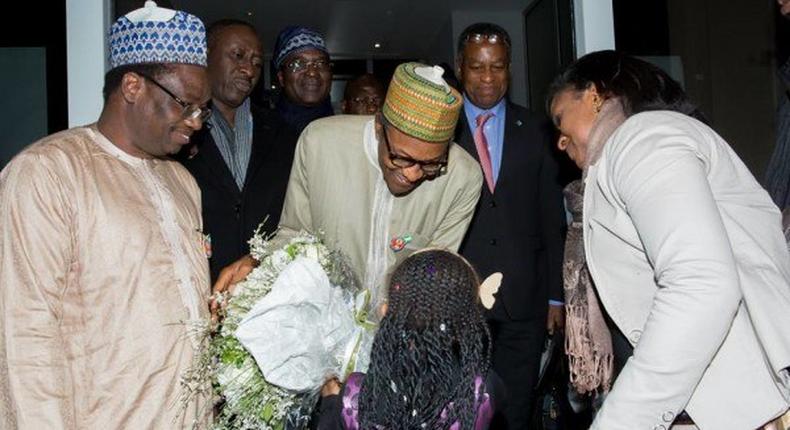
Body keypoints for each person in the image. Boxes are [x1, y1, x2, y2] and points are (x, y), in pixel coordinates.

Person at [547, 50, 790, 430]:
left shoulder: (644, 139)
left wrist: (622, 421)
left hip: (729, 406)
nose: (560, 143)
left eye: (561, 120)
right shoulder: (633, 150)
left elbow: (701, 285)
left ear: (594, 95)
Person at [0, 2, 213, 428]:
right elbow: (24, 338)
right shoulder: (48, 172)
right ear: (132, 86)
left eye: (202, 110)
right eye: (185, 105)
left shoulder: (182, 183)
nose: (196, 122)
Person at [213, 62, 482, 320]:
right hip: (321, 326)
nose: (412, 174)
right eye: (401, 157)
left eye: (431, 164)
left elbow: (435, 267)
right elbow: (295, 234)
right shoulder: (319, 143)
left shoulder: (463, 177)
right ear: (379, 126)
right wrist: (259, 263)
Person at [454, 22, 566, 429]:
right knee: (463, 409)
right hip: (460, 299)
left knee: (517, 412)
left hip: (526, 298)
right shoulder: (441, 130)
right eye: (477, 67)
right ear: (460, 68)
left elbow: (552, 218)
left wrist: (556, 297)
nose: (487, 78)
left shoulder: (538, 129)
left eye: (497, 67)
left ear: (510, 69)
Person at [317, 249, 504, 429]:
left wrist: (331, 404)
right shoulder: (482, 390)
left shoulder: (355, 398)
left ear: (385, 312)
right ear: (465, 326)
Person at [178, 19, 298, 282]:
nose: (248, 69)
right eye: (238, 56)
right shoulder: (178, 131)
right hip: (200, 287)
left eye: (256, 63)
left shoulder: (283, 133)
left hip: (267, 291)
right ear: (205, 56)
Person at [273, 25, 334, 134]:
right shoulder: (260, 133)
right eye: (298, 64)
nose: (312, 72)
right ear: (281, 77)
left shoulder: (346, 129)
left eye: (321, 63)